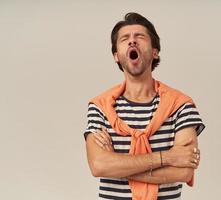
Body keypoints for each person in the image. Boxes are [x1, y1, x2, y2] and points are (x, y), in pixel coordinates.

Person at [84, 12, 205, 200]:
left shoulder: (181, 105)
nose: (132, 41)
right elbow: (98, 166)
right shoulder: (100, 107)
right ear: (116, 56)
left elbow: (184, 173)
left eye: (140, 37)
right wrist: (168, 157)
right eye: (125, 39)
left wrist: (117, 166)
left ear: (155, 51)